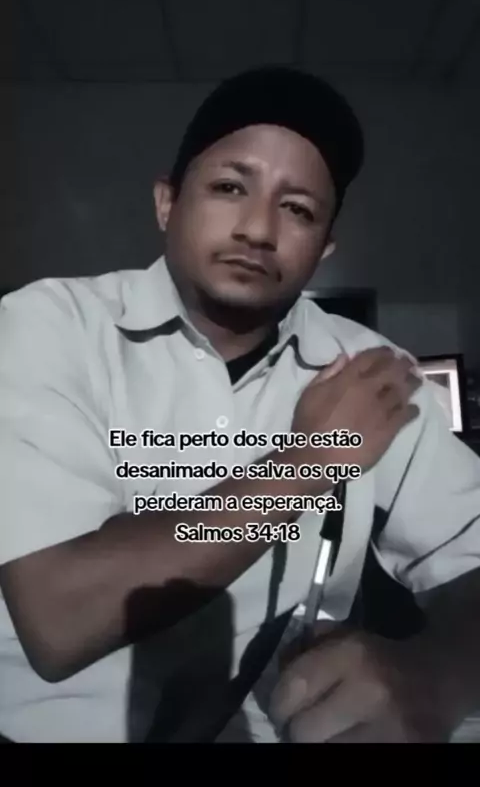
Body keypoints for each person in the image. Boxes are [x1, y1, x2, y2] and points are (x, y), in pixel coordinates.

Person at [0, 66, 479, 744]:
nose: (258, 228)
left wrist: (439, 673)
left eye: (298, 209)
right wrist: (309, 462)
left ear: (324, 248)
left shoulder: (371, 371)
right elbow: (59, 616)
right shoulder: (46, 325)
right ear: (166, 203)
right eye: (230, 187)